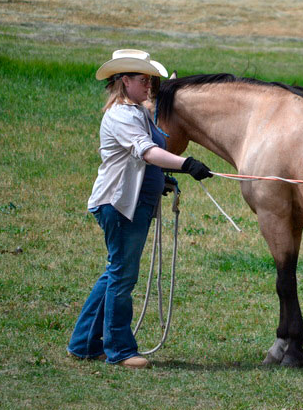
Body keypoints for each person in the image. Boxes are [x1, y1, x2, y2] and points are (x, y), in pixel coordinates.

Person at [67, 49, 212, 369]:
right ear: (124, 81)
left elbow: (143, 160)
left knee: (115, 273)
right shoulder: (121, 115)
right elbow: (146, 153)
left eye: (151, 79)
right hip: (120, 206)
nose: (150, 85)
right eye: (143, 79)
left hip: (132, 205)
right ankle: (119, 350)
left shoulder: (138, 112)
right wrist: (185, 163)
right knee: (122, 276)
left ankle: (83, 343)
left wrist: (162, 180)